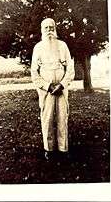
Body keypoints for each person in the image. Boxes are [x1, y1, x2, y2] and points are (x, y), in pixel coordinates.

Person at [31, 18, 74, 161]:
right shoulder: (38, 48)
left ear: (55, 29)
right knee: (47, 119)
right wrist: (47, 86)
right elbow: (34, 73)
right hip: (46, 90)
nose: (49, 30)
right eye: (46, 28)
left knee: (63, 118)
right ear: (42, 30)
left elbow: (70, 69)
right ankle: (48, 149)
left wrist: (62, 85)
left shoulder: (63, 46)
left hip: (61, 89)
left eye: (51, 27)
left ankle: (63, 149)